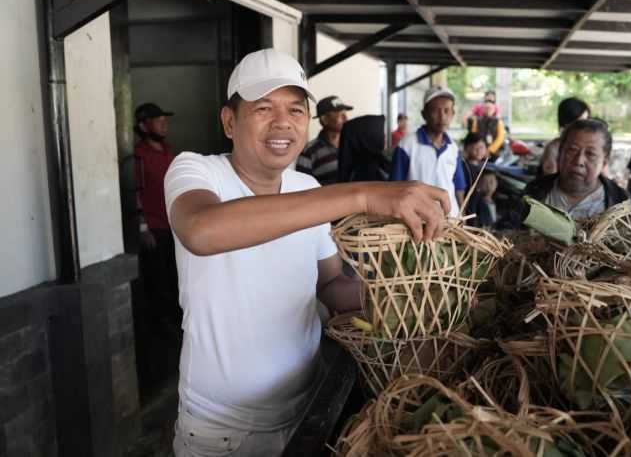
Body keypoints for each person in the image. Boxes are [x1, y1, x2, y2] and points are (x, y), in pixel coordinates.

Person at [165, 49, 449, 457]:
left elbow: (330, 284)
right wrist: (364, 194)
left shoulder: (308, 189)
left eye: (296, 110)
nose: (283, 123)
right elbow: (201, 230)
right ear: (230, 121)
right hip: (223, 432)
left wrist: (398, 296)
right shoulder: (196, 171)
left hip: (307, 409)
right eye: (264, 108)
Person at [524, 119, 629, 220]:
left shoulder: (621, 204)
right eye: (572, 150)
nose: (579, 161)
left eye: (590, 154)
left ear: (604, 163)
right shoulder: (533, 192)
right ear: (560, 153)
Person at [134, 102, 180, 331]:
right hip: (154, 228)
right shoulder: (138, 156)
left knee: (175, 276)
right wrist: (143, 227)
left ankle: (175, 320)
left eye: (165, 121)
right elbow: (135, 193)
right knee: (158, 279)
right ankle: (163, 328)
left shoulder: (168, 151)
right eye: (158, 121)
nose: (164, 125)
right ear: (143, 125)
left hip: (174, 225)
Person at [391, 85, 467, 217]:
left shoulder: (453, 148)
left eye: (447, 111)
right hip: (418, 220)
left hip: (450, 221)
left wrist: (462, 215)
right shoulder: (406, 146)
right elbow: (394, 188)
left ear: (452, 114)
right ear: (424, 114)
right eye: (436, 111)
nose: (442, 117)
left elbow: (459, 187)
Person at [296, 95, 352, 185]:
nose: (346, 118)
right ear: (324, 119)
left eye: (345, 114)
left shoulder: (353, 145)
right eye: (341, 115)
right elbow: (302, 187)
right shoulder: (309, 151)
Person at [540, 97, 591, 176]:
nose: (584, 127)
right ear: (566, 122)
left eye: (587, 121)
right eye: (579, 122)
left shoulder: (591, 145)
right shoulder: (553, 148)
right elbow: (550, 178)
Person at [338, 114, 390, 182]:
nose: (384, 137)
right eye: (380, 132)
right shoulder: (366, 172)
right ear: (368, 137)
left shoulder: (377, 161)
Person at [467, 91, 506, 157]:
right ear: (483, 109)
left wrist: (490, 150)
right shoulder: (477, 121)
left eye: (490, 108)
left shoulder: (499, 122)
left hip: (495, 151)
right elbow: (474, 136)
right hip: (479, 152)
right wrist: (481, 150)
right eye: (486, 108)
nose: (488, 110)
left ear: (494, 109)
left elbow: (500, 138)